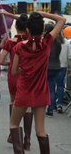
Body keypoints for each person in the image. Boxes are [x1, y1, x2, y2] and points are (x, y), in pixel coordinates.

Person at [9, 11, 65, 154]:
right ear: (43, 29)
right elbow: (61, 20)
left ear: (27, 30)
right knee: (41, 130)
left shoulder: (20, 47)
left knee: (14, 124)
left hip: (24, 91)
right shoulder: (46, 42)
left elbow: (14, 71)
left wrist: (26, 70)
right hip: (41, 91)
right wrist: (42, 13)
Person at [0, 12, 33, 150]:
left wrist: (10, 63)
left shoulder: (10, 42)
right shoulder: (31, 41)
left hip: (13, 76)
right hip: (28, 75)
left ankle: (14, 134)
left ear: (16, 27)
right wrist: (8, 14)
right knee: (28, 105)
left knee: (14, 102)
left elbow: (0, 61)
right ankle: (28, 139)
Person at [44, 23, 63, 117]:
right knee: (52, 87)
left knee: (45, 88)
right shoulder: (58, 42)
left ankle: (45, 107)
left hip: (47, 66)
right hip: (56, 66)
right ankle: (51, 108)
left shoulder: (47, 42)